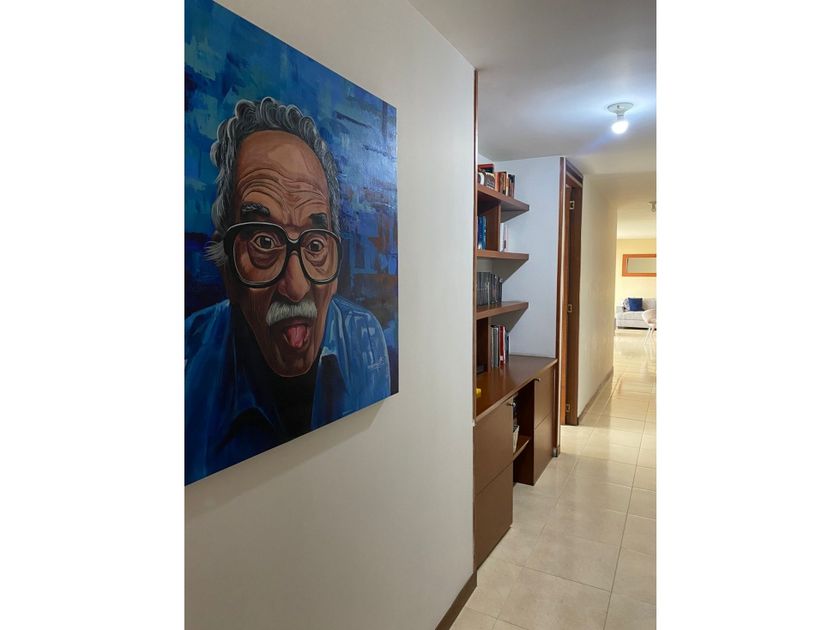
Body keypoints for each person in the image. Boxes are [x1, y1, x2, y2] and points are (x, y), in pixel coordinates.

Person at [185, 97, 390, 484]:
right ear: (227, 267)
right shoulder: (187, 365)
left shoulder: (364, 340)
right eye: (264, 241)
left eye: (315, 245)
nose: (296, 287)